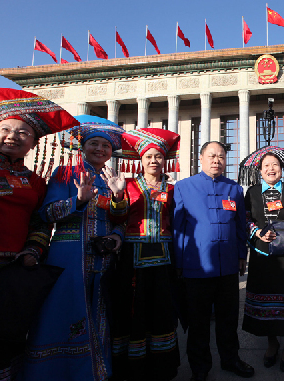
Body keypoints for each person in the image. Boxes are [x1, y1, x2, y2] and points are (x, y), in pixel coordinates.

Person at [0, 88, 78, 381]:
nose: (13, 136)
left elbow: (40, 224)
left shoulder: (35, 181)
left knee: (3, 346)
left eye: (23, 132)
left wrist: (34, 250)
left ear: (33, 143)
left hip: (13, 274)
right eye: (5, 129)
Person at [20, 115, 126, 381]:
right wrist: (77, 200)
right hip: (68, 255)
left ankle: (98, 370)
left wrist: (117, 202)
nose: (100, 149)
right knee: (65, 312)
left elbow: (120, 219)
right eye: (94, 144)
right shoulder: (65, 173)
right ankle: (58, 371)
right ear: (83, 147)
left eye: (105, 146)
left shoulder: (112, 178)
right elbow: (46, 213)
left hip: (102, 257)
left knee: (98, 312)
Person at [173, 141, 254, 381]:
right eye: (211, 155)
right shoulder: (183, 187)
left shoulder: (234, 189)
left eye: (221, 156)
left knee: (228, 319)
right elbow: (178, 229)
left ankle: (231, 359)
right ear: (201, 158)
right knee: (198, 322)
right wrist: (179, 262)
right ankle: (200, 367)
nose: (216, 160)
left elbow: (240, 226)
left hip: (228, 265)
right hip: (196, 266)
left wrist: (241, 255)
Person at [109, 128, 181, 381]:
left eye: (158, 156)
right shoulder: (127, 185)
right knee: (133, 309)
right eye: (149, 156)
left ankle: (161, 366)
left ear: (165, 160)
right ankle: (133, 367)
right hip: (133, 256)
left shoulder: (173, 189)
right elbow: (116, 218)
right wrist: (118, 196)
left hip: (164, 257)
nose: (153, 160)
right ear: (141, 160)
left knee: (162, 308)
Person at [242, 152, 284, 372]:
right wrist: (257, 233)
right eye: (266, 165)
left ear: (281, 168)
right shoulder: (252, 192)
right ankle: (272, 343)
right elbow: (245, 219)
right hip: (263, 256)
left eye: (275, 164)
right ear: (260, 170)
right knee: (266, 302)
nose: (271, 168)